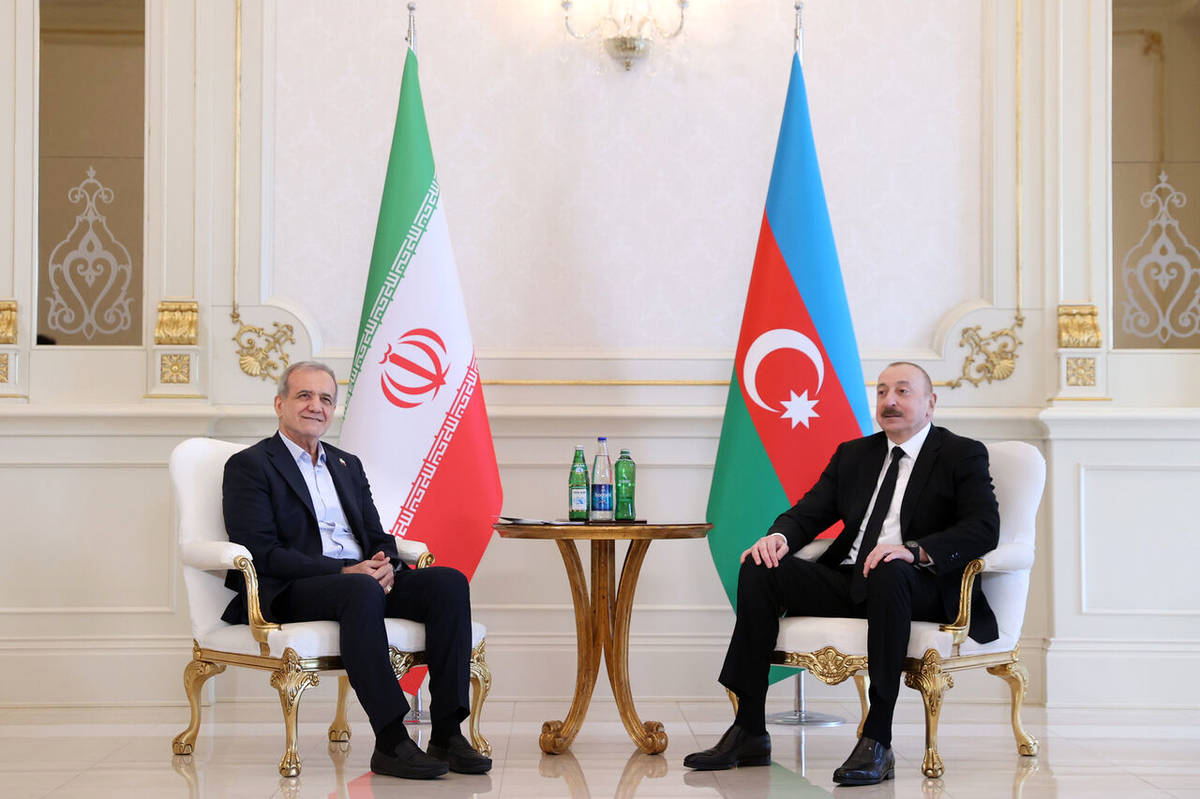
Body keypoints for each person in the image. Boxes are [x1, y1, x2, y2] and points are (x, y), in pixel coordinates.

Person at [684, 362, 999, 786]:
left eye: (902, 391)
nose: (889, 401)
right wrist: (778, 537)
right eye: (882, 392)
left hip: (917, 585)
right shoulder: (855, 455)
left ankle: (877, 738)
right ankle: (749, 729)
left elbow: (984, 527)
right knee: (761, 566)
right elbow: (808, 513)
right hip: (852, 580)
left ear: (930, 403)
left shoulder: (961, 453)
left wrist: (912, 551)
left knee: (888, 569)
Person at [220, 361, 490, 780]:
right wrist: (347, 571)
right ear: (279, 404)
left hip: (359, 580)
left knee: (447, 583)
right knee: (361, 590)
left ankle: (446, 733)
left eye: (325, 399)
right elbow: (261, 550)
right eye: (304, 395)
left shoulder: (347, 464)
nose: (316, 406)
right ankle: (391, 740)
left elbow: (376, 534)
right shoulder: (250, 465)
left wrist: (385, 566)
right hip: (296, 587)